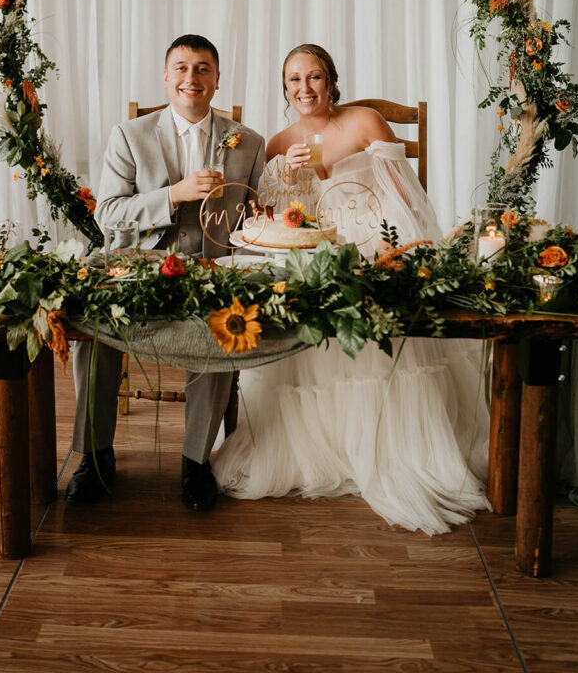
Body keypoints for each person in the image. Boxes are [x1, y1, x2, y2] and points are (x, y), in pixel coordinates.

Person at [212, 44, 490, 535]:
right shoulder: (278, 143)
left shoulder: (364, 123)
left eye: (314, 77)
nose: (305, 89)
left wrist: (390, 258)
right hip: (315, 253)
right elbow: (280, 224)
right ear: (284, 88)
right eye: (294, 80)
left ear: (332, 81)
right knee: (298, 299)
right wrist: (290, 178)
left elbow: (406, 201)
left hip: (374, 244)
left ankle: (390, 447)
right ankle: (319, 447)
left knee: (371, 304)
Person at [67, 34, 265, 511]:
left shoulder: (249, 142)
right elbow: (108, 214)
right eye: (181, 68)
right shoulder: (130, 135)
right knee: (94, 329)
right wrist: (173, 195)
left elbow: (255, 220)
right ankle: (94, 457)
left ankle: (196, 462)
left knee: (227, 327)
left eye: (202, 69)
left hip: (211, 271)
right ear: (166, 77)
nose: (190, 78)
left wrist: (263, 222)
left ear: (217, 80)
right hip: (137, 271)